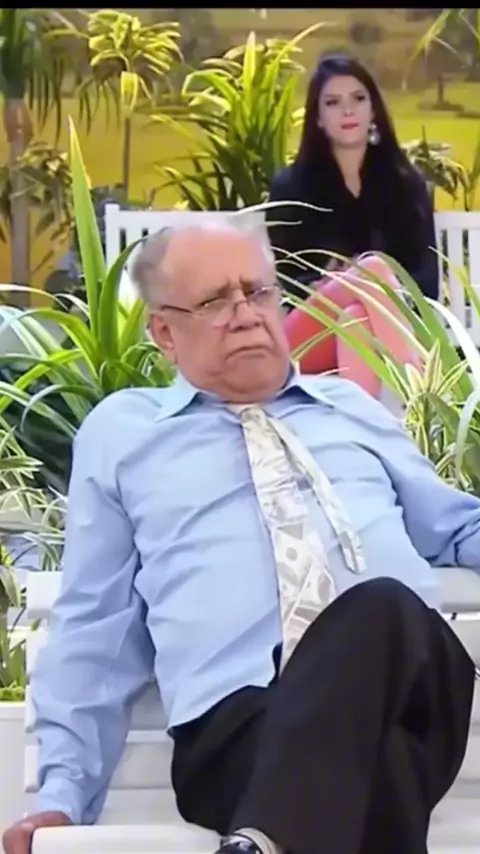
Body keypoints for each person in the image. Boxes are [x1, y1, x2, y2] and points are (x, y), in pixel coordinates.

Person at [3, 221, 477, 854]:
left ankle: (260, 839)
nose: (246, 315)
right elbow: (96, 625)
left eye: (257, 292)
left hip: (412, 694)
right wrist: (62, 797)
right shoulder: (124, 434)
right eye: (214, 301)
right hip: (237, 729)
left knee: (383, 605)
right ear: (164, 333)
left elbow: (455, 526)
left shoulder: (350, 408)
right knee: (378, 769)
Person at [266, 53, 440, 303]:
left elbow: (427, 279)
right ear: (318, 118)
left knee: (371, 283)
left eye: (358, 99)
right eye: (333, 102)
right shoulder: (291, 188)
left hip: (394, 314)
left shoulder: (406, 184)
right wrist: (324, 284)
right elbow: (285, 281)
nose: (348, 111)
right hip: (320, 315)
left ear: (373, 110)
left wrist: (377, 285)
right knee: (364, 285)